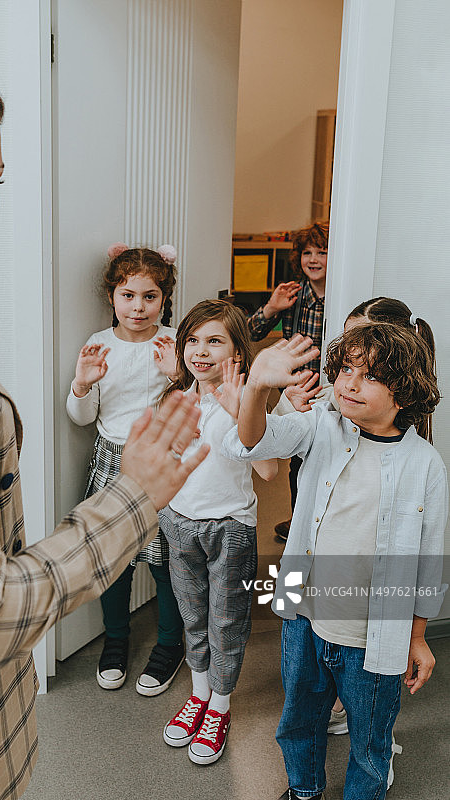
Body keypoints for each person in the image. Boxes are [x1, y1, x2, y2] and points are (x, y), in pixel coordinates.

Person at [0, 50, 209, 800]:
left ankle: (165, 647)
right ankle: (118, 641)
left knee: (166, 573)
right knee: (130, 572)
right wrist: (130, 491)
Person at [226, 327, 447, 800]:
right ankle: (304, 790)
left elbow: (430, 559)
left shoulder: (425, 464)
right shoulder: (321, 426)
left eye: (369, 376)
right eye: (346, 369)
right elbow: (252, 441)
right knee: (298, 720)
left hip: (371, 632)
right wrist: (257, 386)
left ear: (403, 390)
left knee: (371, 742)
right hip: (302, 614)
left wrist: (418, 636)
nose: (349, 383)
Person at [158, 300, 278, 765]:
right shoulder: (175, 397)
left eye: (215, 341)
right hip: (178, 522)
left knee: (225, 622)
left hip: (229, 527)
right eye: (192, 340)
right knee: (192, 615)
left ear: (236, 352)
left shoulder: (248, 397)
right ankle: (198, 695)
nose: (201, 351)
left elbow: (268, 470)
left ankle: (220, 708)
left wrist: (239, 409)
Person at [66, 243, 185, 696]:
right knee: (114, 562)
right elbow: (81, 416)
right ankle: (115, 639)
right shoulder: (99, 345)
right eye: (128, 295)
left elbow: (199, 412)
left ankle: (169, 644)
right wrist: (82, 383)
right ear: (112, 297)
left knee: (165, 561)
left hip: (162, 462)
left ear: (164, 298)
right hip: (112, 462)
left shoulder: (175, 342)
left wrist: (179, 376)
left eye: (149, 296)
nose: (138, 306)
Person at [247, 222, 328, 541]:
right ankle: (299, 523)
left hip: (329, 394)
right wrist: (271, 307)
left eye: (322, 252)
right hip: (295, 396)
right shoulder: (293, 295)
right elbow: (251, 333)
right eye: (307, 252)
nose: (314, 259)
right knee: (297, 462)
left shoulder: (342, 291)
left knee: (326, 457)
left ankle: (320, 526)